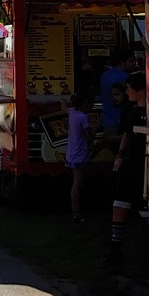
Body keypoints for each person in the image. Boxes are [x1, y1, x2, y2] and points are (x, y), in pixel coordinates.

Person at [109, 73, 148, 265]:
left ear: (140, 90)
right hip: (130, 163)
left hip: (145, 165)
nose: (127, 92)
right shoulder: (130, 112)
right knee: (119, 203)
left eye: (129, 88)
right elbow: (126, 134)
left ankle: (148, 246)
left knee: (144, 208)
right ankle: (116, 247)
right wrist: (120, 155)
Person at [66, 91, 94, 222]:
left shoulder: (72, 112)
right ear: (84, 104)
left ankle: (76, 210)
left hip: (71, 153)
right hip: (80, 154)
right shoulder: (83, 117)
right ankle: (76, 212)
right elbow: (89, 136)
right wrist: (94, 129)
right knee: (77, 182)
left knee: (77, 181)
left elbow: (64, 108)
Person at [99, 51, 130, 144]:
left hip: (107, 121)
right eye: (131, 61)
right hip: (119, 122)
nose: (134, 64)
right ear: (122, 63)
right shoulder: (125, 77)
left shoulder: (105, 75)